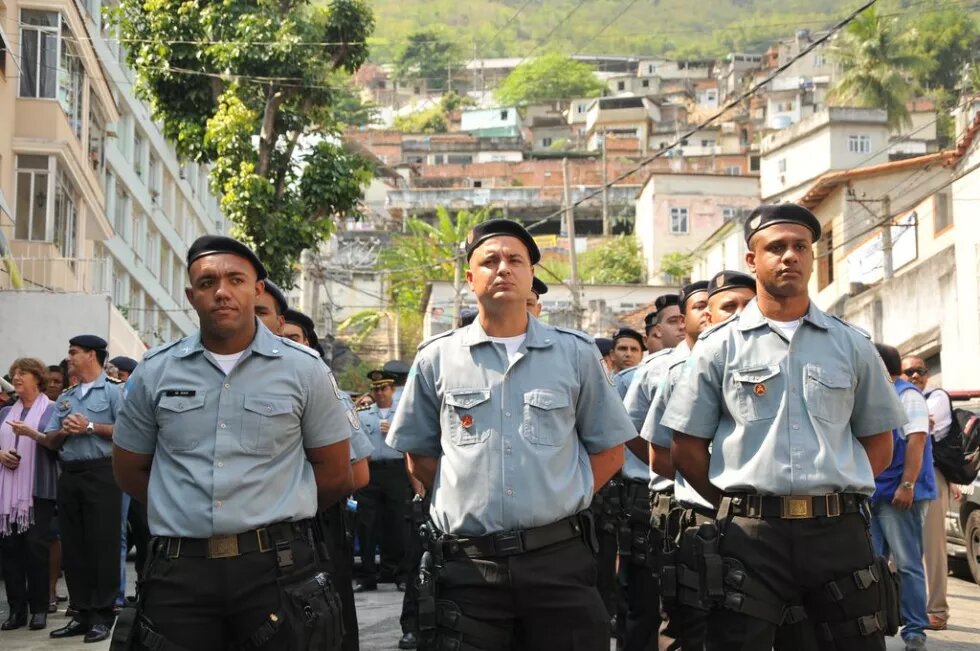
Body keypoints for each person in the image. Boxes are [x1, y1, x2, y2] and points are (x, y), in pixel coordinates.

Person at [663, 203, 908, 650]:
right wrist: (733, 504)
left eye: (800, 246)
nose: (789, 256)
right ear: (752, 260)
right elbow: (686, 448)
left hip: (838, 535)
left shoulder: (852, 345)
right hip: (749, 537)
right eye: (776, 247)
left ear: (812, 258)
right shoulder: (718, 348)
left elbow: (880, 445)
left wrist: (834, 491)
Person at [386, 218, 637, 650]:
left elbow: (610, 451)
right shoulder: (437, 358)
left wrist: (565, 494)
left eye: (515, 260)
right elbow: (421, 457)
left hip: (557, 560)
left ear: (531, 275)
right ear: (470, 278)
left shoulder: (575, 354)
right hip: (468, 564)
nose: (503, 268)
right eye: (490, 260)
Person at [111, 235, 354, 651]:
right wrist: (186, 511)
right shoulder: (156, 371)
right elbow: (130, 470)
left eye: (235, 280)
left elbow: (333, 473)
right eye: (207, 283)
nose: (221, 292)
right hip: (179, 573)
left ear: (257, 288)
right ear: (191, 295)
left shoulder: (303, 370)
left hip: (276, 571)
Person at [644, 270, 755, 649]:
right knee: (695, 624)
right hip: (706, 516)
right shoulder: (680, 371)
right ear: (707, 314)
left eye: (748, 304)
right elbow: (660, 451)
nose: (739, 313)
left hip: (768, 523)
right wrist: (720, 499)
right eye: (728, 306)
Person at [615, 282, 706, 650]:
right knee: (655, 599)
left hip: (728, 499)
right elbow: (628, 432)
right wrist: (670, 466)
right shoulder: (649, 371)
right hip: (660, 495)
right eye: (675, 320)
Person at [282, 306, 371, 651]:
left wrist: (299, 498)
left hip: (320, 521)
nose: (284, 346)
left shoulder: (334, 397)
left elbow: (359, 473)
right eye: (276, 338)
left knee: (329, 619)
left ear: (311, 346)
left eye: (293, 339)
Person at [38, 335, 125, 643]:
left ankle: (103, 615)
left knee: (103, 544)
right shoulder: (67, 396)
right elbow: (49, 438)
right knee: (73, 545)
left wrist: (90, 427)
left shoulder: (115, 391)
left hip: (102, 472)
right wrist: (65, 429)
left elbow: (127, 431)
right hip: (70, 474)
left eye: (74, 352)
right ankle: (81, 611)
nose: (69, 357)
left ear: (92, 355)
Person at [871, 344, 935, 651]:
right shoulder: (881, 394)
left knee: (907, 563)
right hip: (876, 493)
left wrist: (907, 485)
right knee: (871, 563)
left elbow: (917, 441)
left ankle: (914, 630)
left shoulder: (907, 395)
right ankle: (876, 623)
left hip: (900, 495)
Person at [0, 358, 58, 631]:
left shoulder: (51, 410)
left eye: (23, 373)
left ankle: (39, 609)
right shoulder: (5, 412)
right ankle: (16, 610)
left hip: (38, 491)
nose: (17, 377)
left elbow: (58, 445)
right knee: (10, 550)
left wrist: (31, 433)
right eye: (14, 374)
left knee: (35, 549)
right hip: (7, 494)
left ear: (38, 378)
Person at [901, 355, 956, 631]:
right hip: (900, 474)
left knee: (933, 547)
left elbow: (920, 427)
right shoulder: (903, 397)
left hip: (930, 475)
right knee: (901, 547)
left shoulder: (937, 397)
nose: (915, 376)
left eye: (920, 370)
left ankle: (937, 611)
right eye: (908, 371)